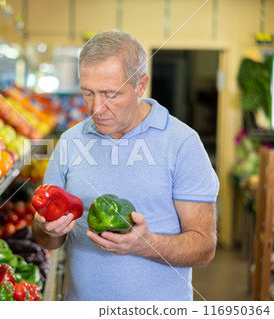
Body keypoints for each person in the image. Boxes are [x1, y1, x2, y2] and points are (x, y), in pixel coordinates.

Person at [32, 30, 219, 301]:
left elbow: (205, 248)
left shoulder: (182, 143)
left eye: (111, 94)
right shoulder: (70, 141)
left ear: (141, 86)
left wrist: (145, 245)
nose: (97, 108)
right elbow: (47, 239)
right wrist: (46, 229)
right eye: (88, 93)